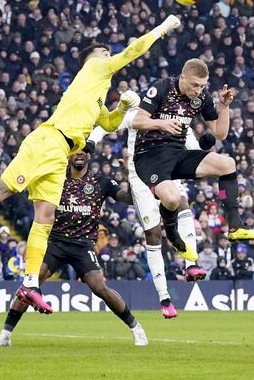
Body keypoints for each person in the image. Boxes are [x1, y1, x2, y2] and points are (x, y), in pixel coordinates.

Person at [0, 15, 183, 313]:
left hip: (61, 153)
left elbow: (107, 123)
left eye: (107, 52)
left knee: (45, 216)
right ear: (92, 58)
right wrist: (163, 28)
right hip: (48, 141)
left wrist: (122, 108)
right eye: (103, 52)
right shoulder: (94, 68)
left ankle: (30, 283)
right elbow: (131, 52)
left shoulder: (96, 93)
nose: (108, 55)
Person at [0, 150, 147, 348]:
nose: (79, 155)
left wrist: (130, 173)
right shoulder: (56, 179)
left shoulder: (101, 181)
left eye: (83, 152)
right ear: (69, 156)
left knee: (99, 287)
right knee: (30, 284)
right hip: (55, 242)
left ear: (89, 156)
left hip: (83, 245)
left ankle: (136, 328)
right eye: (75, 152)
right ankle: (5, 334)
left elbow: (130, 198)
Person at [130, 59, 254, 270]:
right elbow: (138, 121)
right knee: (172, 198)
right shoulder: (161, 87)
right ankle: (172, 233)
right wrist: (161, 123)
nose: (199, 90)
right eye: (195, 85)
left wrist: (224, 107)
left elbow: (220, 133)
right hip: (149, 156)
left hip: (177, 153)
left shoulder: (201, 97)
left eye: (203, 86)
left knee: (227, 163)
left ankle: (235, 227)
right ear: (182, 78)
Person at [88, 115, 217, 320]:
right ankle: (164, 298)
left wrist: (201, 151)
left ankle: (191, 264)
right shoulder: (137, 113)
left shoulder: (174, 112)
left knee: (182, 204)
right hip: (139, 176)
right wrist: (92, 141)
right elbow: (107, 124)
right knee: (154, 234)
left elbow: (191, 143)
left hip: (164, 170)